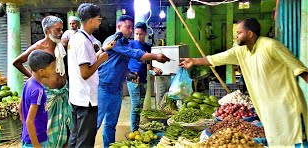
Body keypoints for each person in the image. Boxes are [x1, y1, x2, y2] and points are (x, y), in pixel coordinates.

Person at [179, 18, 308, 146]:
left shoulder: (271, 46)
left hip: (286, 105)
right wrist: (194, 61)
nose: (236, 36)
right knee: (277, 141)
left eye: (239, 33)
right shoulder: (241, 51)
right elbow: (217, 58)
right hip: (267, 109)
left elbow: (300, 69)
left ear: (250, 33)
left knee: (295, 140)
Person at [97, 15, 170, 148]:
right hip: (104, 87)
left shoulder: (125, 42)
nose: (131, 30)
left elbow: (118, 64)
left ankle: (108, 146)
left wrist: (129, 74)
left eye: (132, 27)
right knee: (96, 123)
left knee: (111, 123)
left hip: (117, 88)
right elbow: (135, 53)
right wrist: (156, 56)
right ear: (119, 27)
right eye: (128, 27)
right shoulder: (115, 40)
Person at [13, 16, 72, 148]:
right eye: (57, 30)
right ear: (47, 30)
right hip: (48, 94)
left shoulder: (60, 45)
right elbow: (17, 62)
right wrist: (35, 79)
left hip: (62, 93)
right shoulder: (38, 48)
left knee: (64, 131)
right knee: (46, 130)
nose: (61, 32)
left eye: (62, 29)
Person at [67, 3, 115, 148]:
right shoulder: (83, 42)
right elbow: (85, 73)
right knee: (85, 141)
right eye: (98, 19)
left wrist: (102, 50)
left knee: (75, 138)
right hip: (85, 100)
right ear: (91, 21)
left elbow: (87, 60)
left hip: (77, 96)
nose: (100, 22)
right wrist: (101, 59)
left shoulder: (79, 37)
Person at [127, 22, 163, 132]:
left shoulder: (148, 47)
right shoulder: (131, 44)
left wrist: (154, 68)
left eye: (141, 34)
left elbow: (148, 64)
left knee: (141, 105)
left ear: (145, 33)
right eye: (136, 34)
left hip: (144, 79)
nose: (138, 36)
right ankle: (134, 131)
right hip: (133, 80)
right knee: (135, 106)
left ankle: (138, 128)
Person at [19, 50, 55, 148]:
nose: (54, 70)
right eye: (52, 68)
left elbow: (20, 107)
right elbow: (30, 120)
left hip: (27, 137)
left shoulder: (28, 83)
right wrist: (36, 145)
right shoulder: (38, 90)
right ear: (41, 71)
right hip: (37, 139)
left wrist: (26, 129)